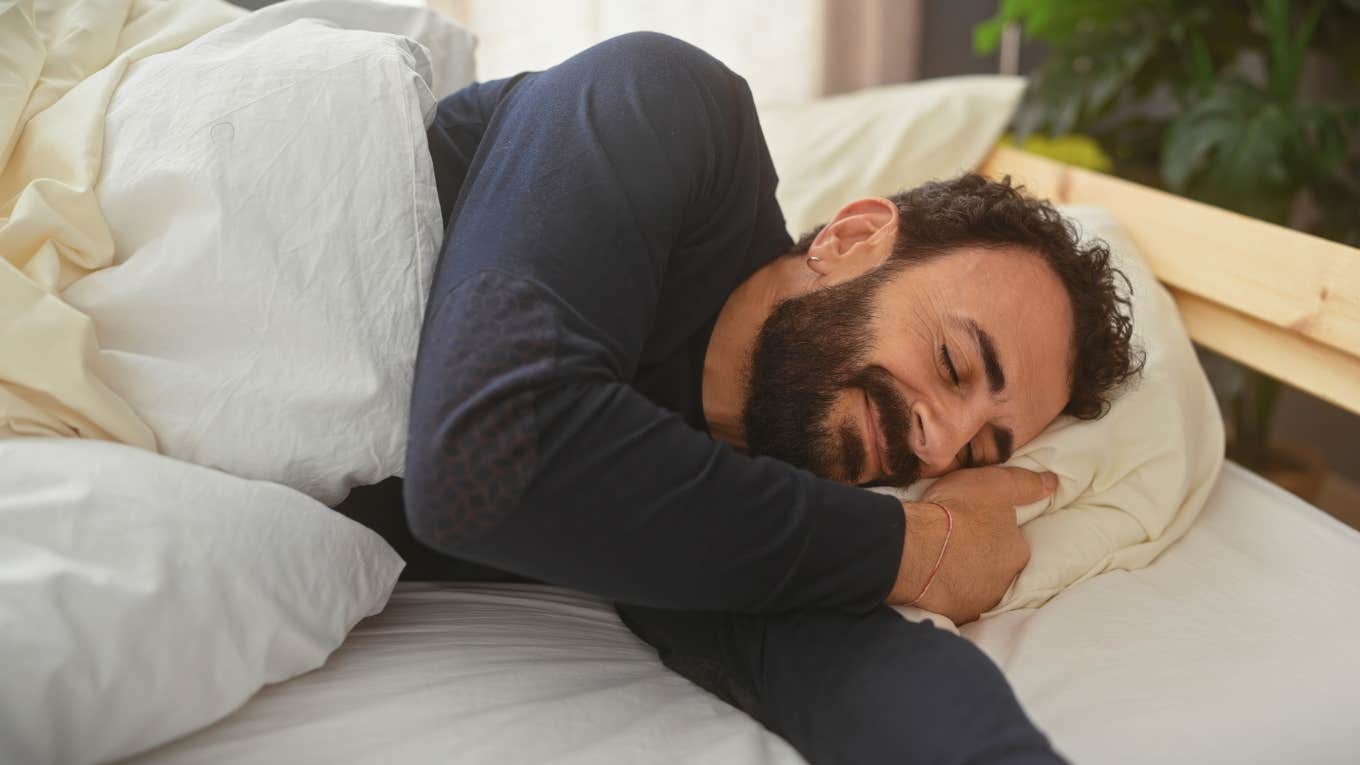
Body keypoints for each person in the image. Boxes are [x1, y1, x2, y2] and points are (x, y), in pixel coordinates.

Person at [394, 30, 1141, 765]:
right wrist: (920, 545)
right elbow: (484, 457)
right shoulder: (669, 106)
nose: (938, 446)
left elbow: (856, 671)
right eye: (953, 362)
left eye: (977, 450)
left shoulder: (765, 503)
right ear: (851, 238)